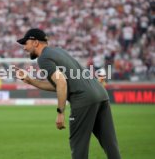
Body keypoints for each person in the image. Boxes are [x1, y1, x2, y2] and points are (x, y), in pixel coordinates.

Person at [15, 28, 121, 159]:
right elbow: (62, 84)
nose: (24, 47)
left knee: (79, 146)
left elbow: (62, 83)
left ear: (35, 42)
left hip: (83, 99)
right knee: (110, 144)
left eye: (26, 43)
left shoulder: (43, 59)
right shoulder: (59, 51)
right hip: (101, 94)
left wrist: (60, 112)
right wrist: (31, 81)